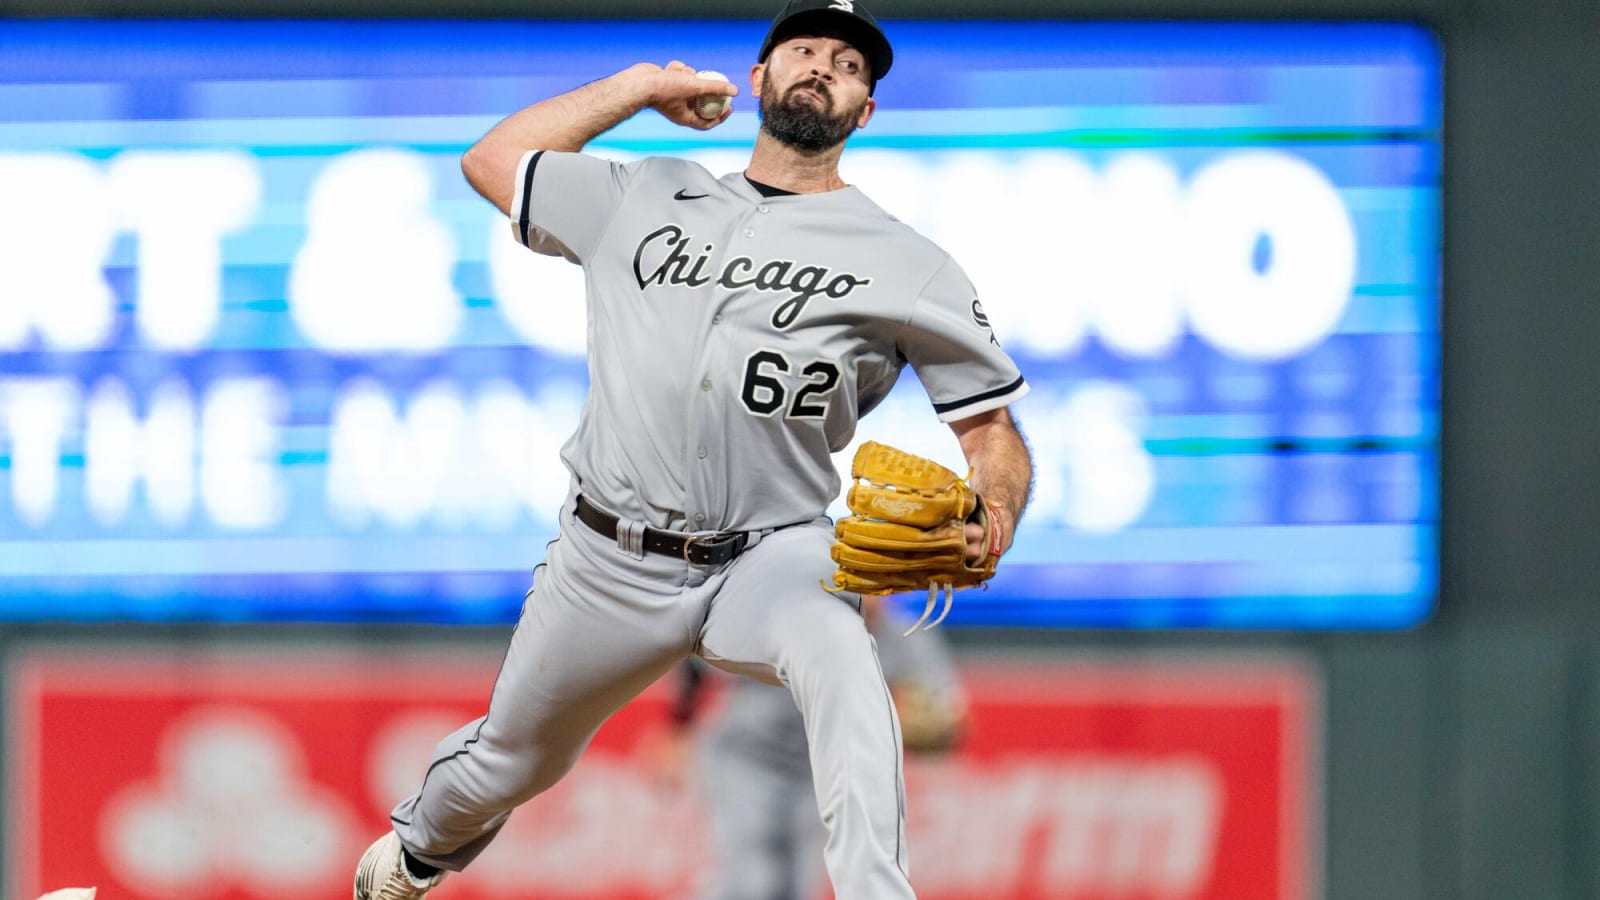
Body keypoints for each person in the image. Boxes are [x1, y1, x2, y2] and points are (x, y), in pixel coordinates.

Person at [353, 1, 1033, 898]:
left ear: (866, 110)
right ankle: (414, 857)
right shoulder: (643, 191)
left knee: (845, 670)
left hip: (773, 549)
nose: (824, 66)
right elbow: (491, 161)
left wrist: (998, 506)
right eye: (803, 50)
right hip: (610, 556)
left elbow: (990, 430)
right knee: (507, 764)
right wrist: (638, 89)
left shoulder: (907, 263)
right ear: (758, 79)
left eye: (850, 64)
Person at [646, 596, 966, 900]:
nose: (869, 594)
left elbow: (949, 713)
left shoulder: (904, 638)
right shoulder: (801, 618)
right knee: (751, 884)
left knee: (796, 890)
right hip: (746, 758)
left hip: (815, 772)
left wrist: (931, 726)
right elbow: (697, 662)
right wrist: (677, 729)